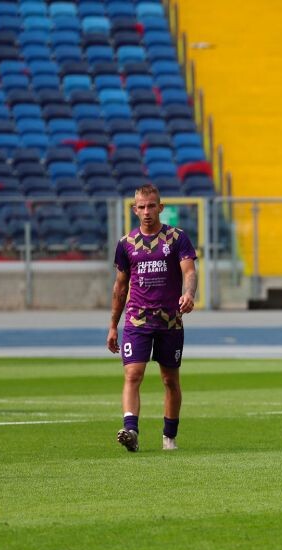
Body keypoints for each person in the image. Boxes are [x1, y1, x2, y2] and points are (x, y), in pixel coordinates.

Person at [107, 184, 197, 452]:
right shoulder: (126, 244)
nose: (147, 211)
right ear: (134, 210)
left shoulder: (176, 238)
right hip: (137, 320)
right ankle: (131, 430)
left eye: (151, 206)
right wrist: (113, 325)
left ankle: (169, 437)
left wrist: (189, 293)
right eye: (141, 207)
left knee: (170, 380)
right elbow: (120, 287)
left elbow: (189, 271)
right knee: (133, 374)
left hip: (170, 321)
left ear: (160, 207)